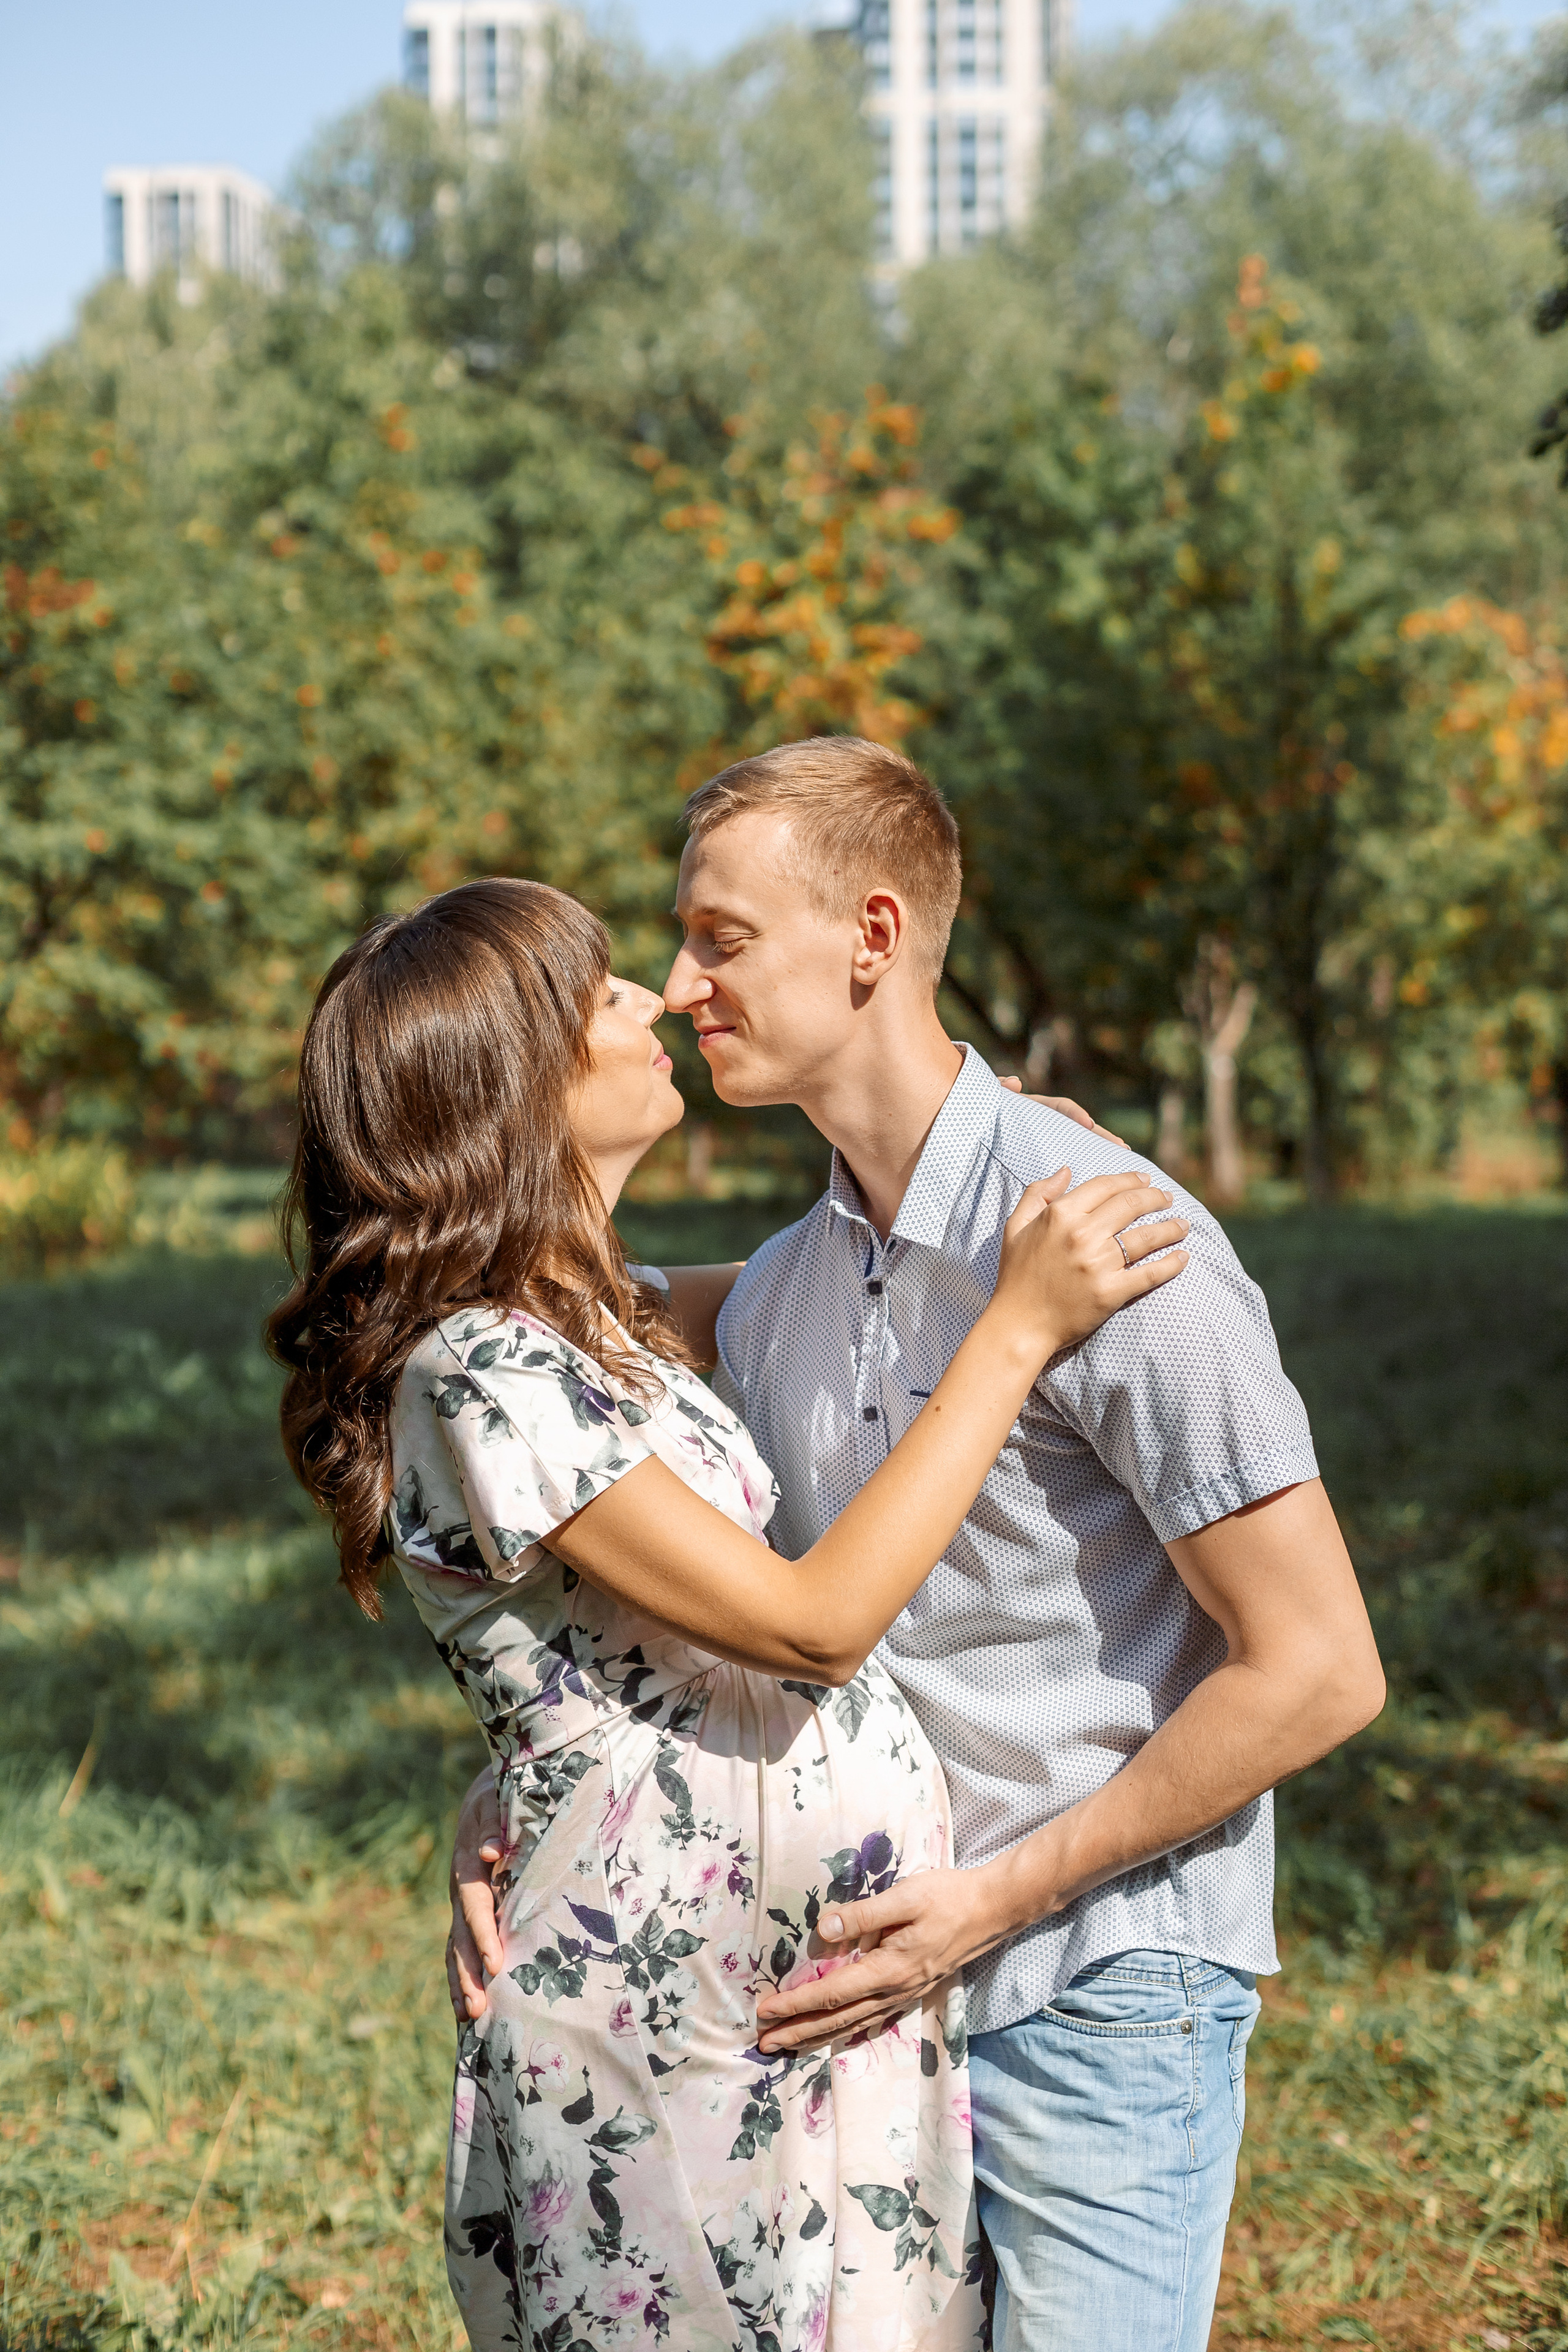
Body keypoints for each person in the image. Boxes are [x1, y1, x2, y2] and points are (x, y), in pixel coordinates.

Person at [448, 739, 1387, 2352]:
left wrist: (993, 1902)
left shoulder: (1110, 1240)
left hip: (1097, 1980)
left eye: (721, 939)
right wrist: (520, 1779)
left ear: (871, 938)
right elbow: (533, 1329)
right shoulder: (790, 1285)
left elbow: (1319, 1672)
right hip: (875, 1998)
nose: (681, 986)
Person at [268, 874, 1191, 2352]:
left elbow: (833, 1281)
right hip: (667, 2013)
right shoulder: (479, 1370)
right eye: (602, 994)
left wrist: (978, 1161)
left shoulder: (598, 1320)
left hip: (791, 1998)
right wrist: (1018, 1326)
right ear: (507, 1084)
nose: (656, 997)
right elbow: (813, 1623)